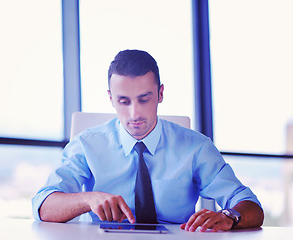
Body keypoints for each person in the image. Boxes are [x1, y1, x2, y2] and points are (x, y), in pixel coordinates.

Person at [32, 49, 264, 232]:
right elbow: (43, 206)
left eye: (144, 99)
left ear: (160, 94)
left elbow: (251, 206)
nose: (135, 114)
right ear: (111, 98)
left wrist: (229, 216)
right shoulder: (87, 145)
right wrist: (88, 198)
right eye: (124, 101)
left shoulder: (197, 147)